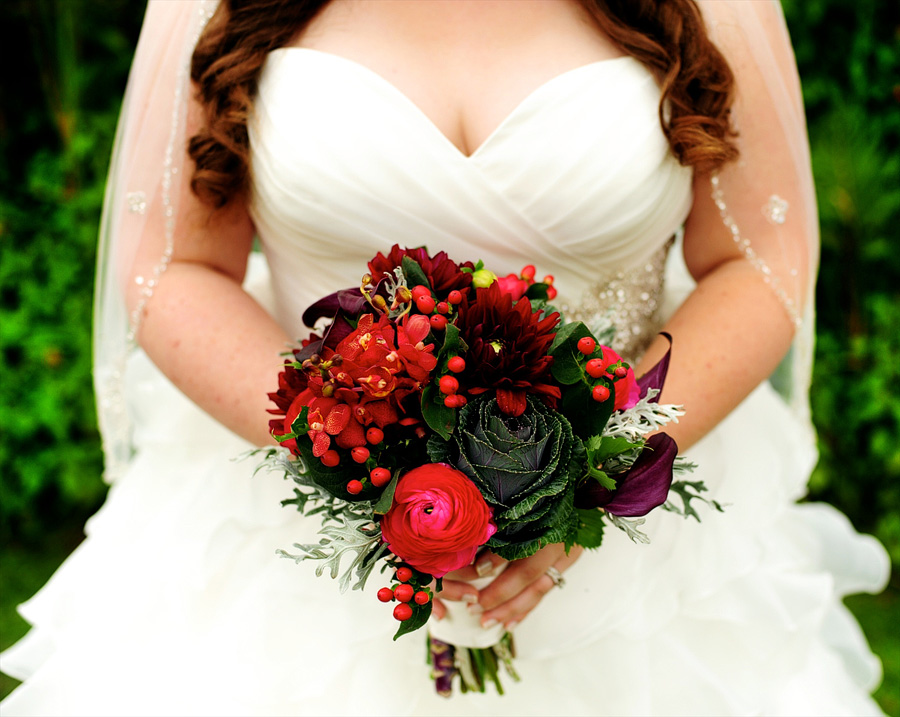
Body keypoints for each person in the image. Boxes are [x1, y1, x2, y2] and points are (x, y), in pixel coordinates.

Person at [1, 0, 890, 714]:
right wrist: (365, 465)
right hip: (293, 534)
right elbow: (171, 263)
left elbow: (762, 256)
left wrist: (585, 471)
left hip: (636, 554)